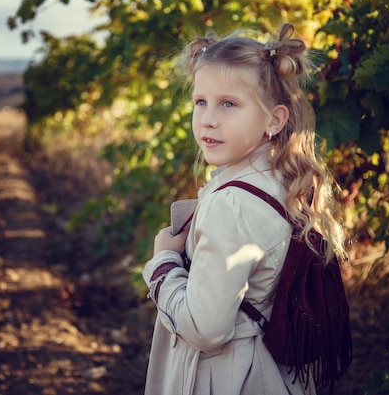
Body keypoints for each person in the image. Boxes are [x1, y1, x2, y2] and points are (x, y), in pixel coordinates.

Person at [142, 23, 347, 395]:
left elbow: (207, 329)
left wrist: (162, 266)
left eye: (229, 104)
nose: (208, 118)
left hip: (227, 378)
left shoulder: (233, 204)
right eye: (200, 101)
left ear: (274, 120)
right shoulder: (281, 179)